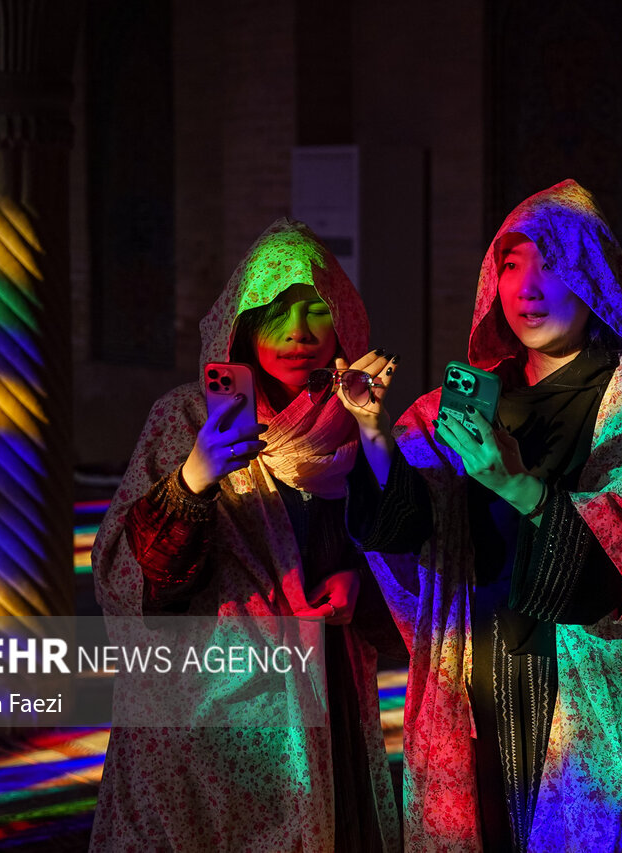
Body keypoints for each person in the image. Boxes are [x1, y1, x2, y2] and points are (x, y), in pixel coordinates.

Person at [336, 180, 622, 851]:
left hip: (584, 691)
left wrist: (515, 483)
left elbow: (619, 565)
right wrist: (372, 432)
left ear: (594, 280)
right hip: (479, 670)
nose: (528, 288)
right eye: (511, 266)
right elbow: (405, 531)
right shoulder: (463, 406)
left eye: (552, 265)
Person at [90, 219, 400, 852]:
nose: (296, 333)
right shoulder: (185, 418)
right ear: (242, 324)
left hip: (321, 702)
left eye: (315, 309)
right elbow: (133, 581)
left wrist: (357, 586)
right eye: (273, 313)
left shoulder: (356, 424)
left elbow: (407, 558)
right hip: (203, 713)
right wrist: (197, 474)